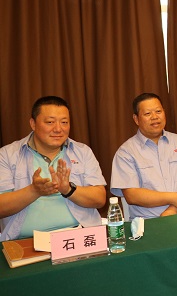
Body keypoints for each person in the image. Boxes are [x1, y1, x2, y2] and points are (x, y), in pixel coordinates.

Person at [0, 96, 106, 241]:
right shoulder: (7, 155)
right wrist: (34, 191)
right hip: (26, 240)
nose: (58, 129)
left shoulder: (82, 152)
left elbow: (99, 199)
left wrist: (69, 190)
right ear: (33, 124)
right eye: (50, 122)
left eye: (64, 122)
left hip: (79, 236)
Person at [110, 93, 177, 219]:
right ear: (136, 119)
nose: (155, 117)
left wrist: (172, 210)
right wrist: (173, 198)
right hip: (148, 222)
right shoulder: (126, 152)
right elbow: (132, 195)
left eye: (158, 111)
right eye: (147, 113)